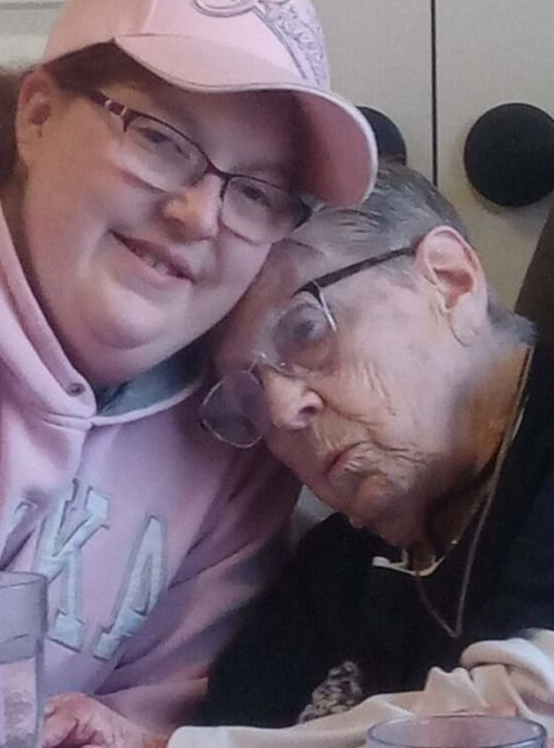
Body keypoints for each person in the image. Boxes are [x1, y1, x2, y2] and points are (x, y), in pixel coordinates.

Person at [0, 0, 377, 747]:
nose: (198, 215)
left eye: (256, 191)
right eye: (161, 139)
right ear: (38, 116)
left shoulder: (237, 444)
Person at [173, 164, 554, 748]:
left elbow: (528, 711)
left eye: (304, 330)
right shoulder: (335, 568)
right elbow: (231, 719)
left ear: (448, 279)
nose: (281, 411)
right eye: (248, 400)